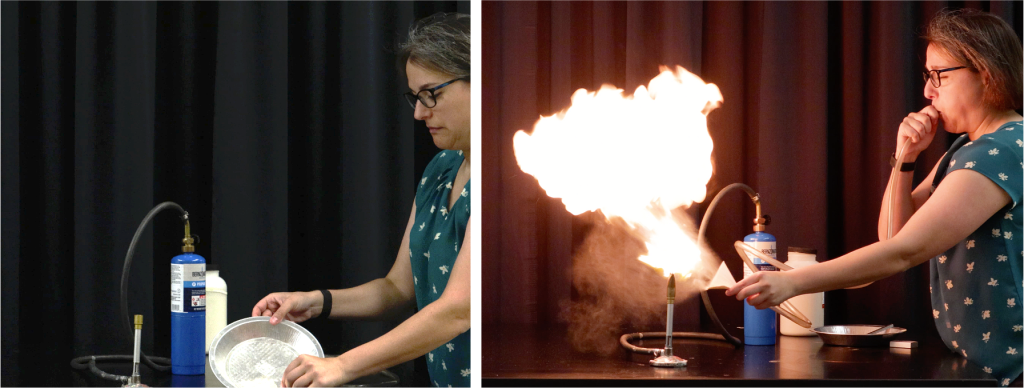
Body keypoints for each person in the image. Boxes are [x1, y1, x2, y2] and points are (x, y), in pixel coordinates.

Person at [726, 8, 1024, 386]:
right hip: (985, 367)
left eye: (939, 76)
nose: (927, 91)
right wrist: (905, 158)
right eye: (927, 76)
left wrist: (794, 282)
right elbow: (893, 234)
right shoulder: (968, 148)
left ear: (984, 72)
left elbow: (904, 252)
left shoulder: (1003, 151)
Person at [251, 12, 472, 388]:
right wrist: (317, 301)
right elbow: (398, 289)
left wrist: (344, 365)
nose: (419, 113)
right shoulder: (441, 168)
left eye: (431, 94)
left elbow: (458, 310)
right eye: (415, 98)